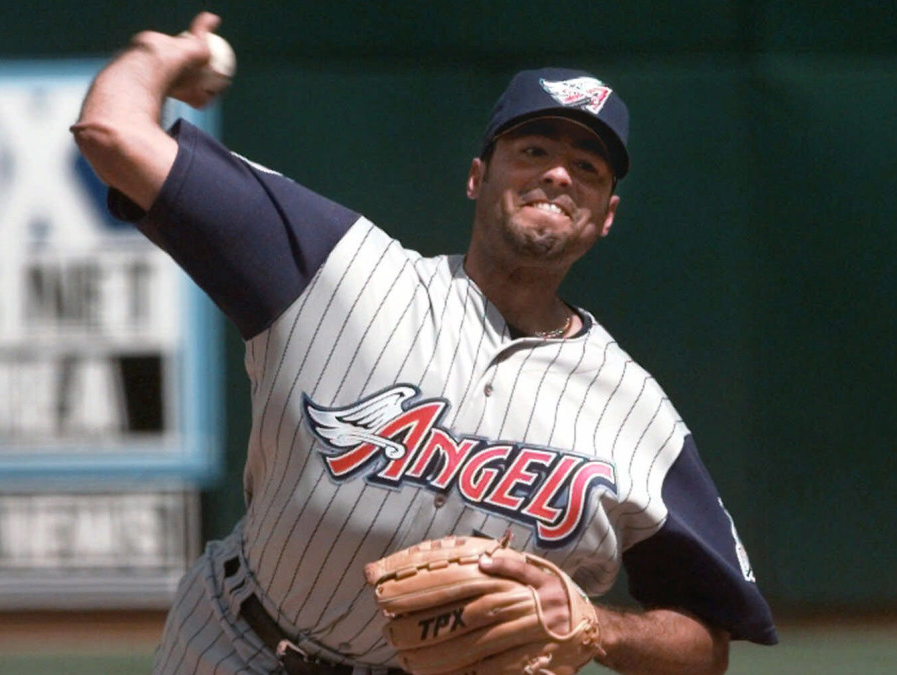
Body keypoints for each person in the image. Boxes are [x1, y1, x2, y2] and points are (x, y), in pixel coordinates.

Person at [72, 10, 777, 675]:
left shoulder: (637, 416)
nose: (560, 173)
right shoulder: (335, 267)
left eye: (589, 168)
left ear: (605, 217)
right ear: (478, 176)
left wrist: (601, 626)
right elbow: (110, 130)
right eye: (533, 149)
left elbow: (704, 640)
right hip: (235, 648)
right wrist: (159, 56)